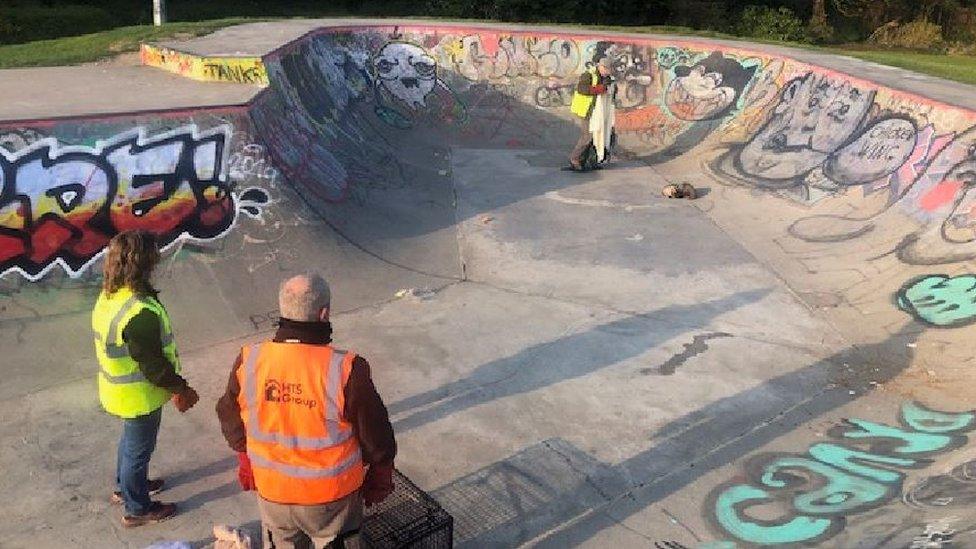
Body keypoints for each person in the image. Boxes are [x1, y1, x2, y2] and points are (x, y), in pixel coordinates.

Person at [216, 273, 397, 548]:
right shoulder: (347, 368)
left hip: (273, 493)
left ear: (282, 309)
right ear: (324, 313)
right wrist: (379, 477)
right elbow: (376, 435)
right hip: (332, 500)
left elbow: (229, 415)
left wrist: (245, 458)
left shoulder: (250, 359)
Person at [92, 230, 200, 527]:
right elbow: (153, 365)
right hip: (139, 395)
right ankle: (137, 508)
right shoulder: (138, 312)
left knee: (130, 445)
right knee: (138, 452)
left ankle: (123, 487)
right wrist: (181, 389)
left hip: (119, 392)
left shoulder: (110, 295)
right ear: (144, 263)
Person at [569, 57, 614, 170]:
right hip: (586, 110)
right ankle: (575, 159)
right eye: (606, 69)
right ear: (600, 67)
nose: (607, 72)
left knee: (596, 136)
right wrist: (600, 89)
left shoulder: (606, 77)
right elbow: (582, 89)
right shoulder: (588, 75)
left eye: (609, 70)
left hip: (597, 112)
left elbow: (609, 89)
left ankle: (591, 160)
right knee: (587, 136)